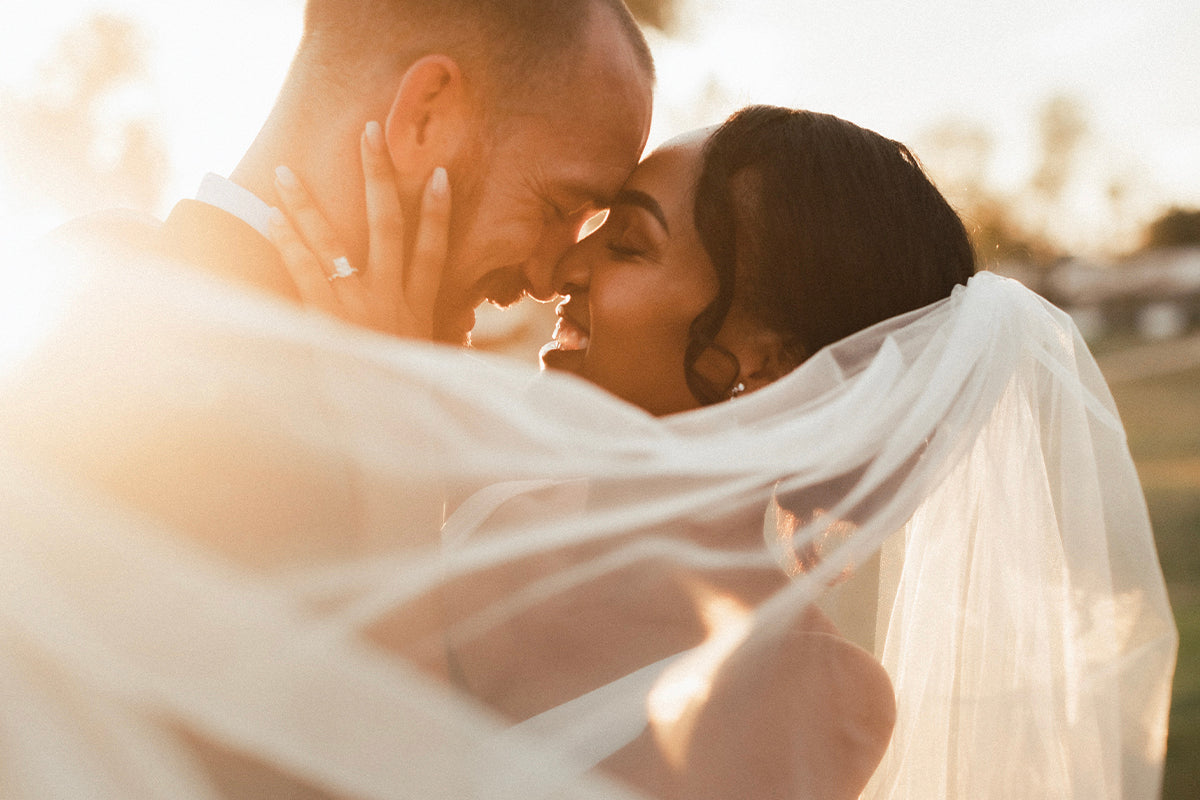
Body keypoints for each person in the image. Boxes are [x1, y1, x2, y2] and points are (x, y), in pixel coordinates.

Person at [265, 105, 1177, 799]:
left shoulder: (818, 703)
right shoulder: (487, 500)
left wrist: (388, 464)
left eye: (626, 244)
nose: (564, 271)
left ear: (762, 362)